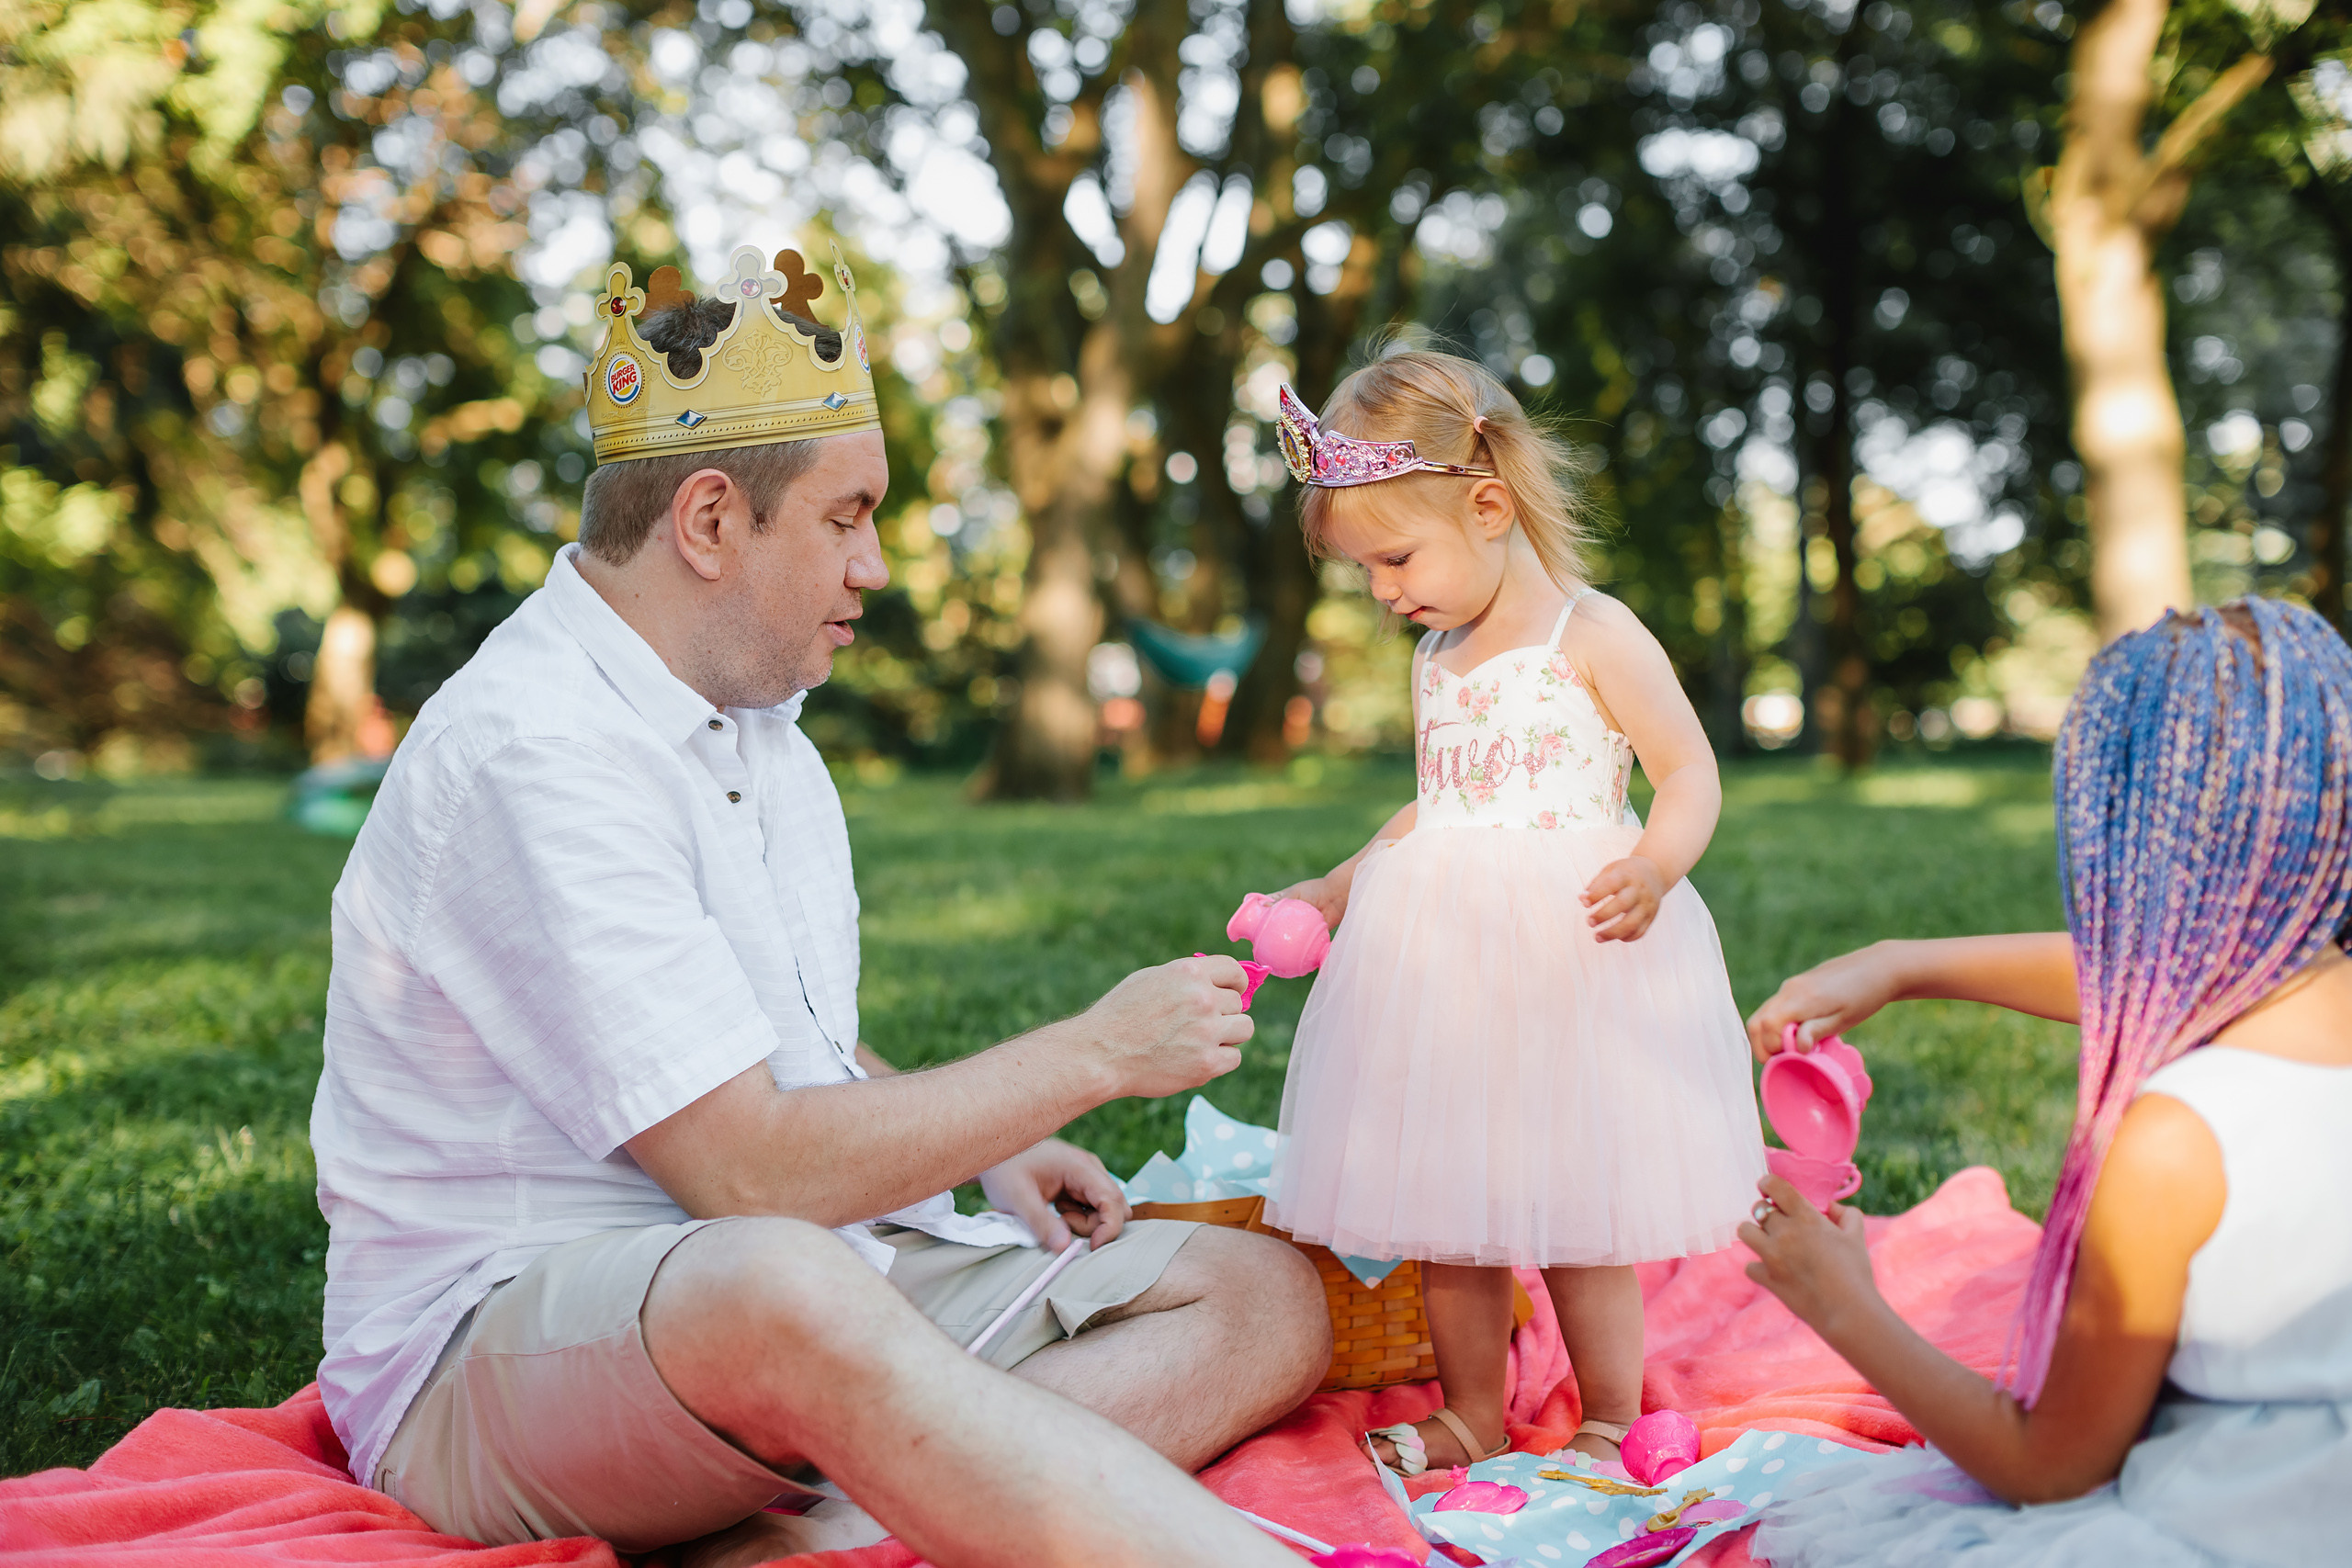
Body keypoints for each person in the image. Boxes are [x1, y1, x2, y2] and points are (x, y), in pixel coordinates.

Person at [310, 250, 1329, 1568]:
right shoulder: (537, 750)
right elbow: (744, 1168)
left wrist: (988, 1150)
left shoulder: (760, 727)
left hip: (787, 1287)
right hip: (493, 1355)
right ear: (713, 521)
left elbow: (764, 1031)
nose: (879, 564)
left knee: (1260, 1299)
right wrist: (1089, 1057)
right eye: (848, 516)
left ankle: (840, 1527)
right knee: (778, 1275)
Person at [1738, 598, 2352, 1568]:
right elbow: (2176, 971)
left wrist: (1842, 1303)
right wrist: (1902, 962)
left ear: (2123, 843)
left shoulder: (2178, 1137)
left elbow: (2049, 1465)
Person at [1247, 352, 1767, 1474]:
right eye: (1366, 572)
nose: (1385, 591)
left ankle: (1613, 1418)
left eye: (1393, 558)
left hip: (1574, 951)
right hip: (1449, 970)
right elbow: (1435, 805)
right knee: (1447, 1209)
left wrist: (1657, 866)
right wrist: (1334, 888)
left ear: (1487, 506)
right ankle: (1471, 1413)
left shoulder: (1592, 633)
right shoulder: (1439, 654)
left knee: (1585, 1207)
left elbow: (1689, 773)